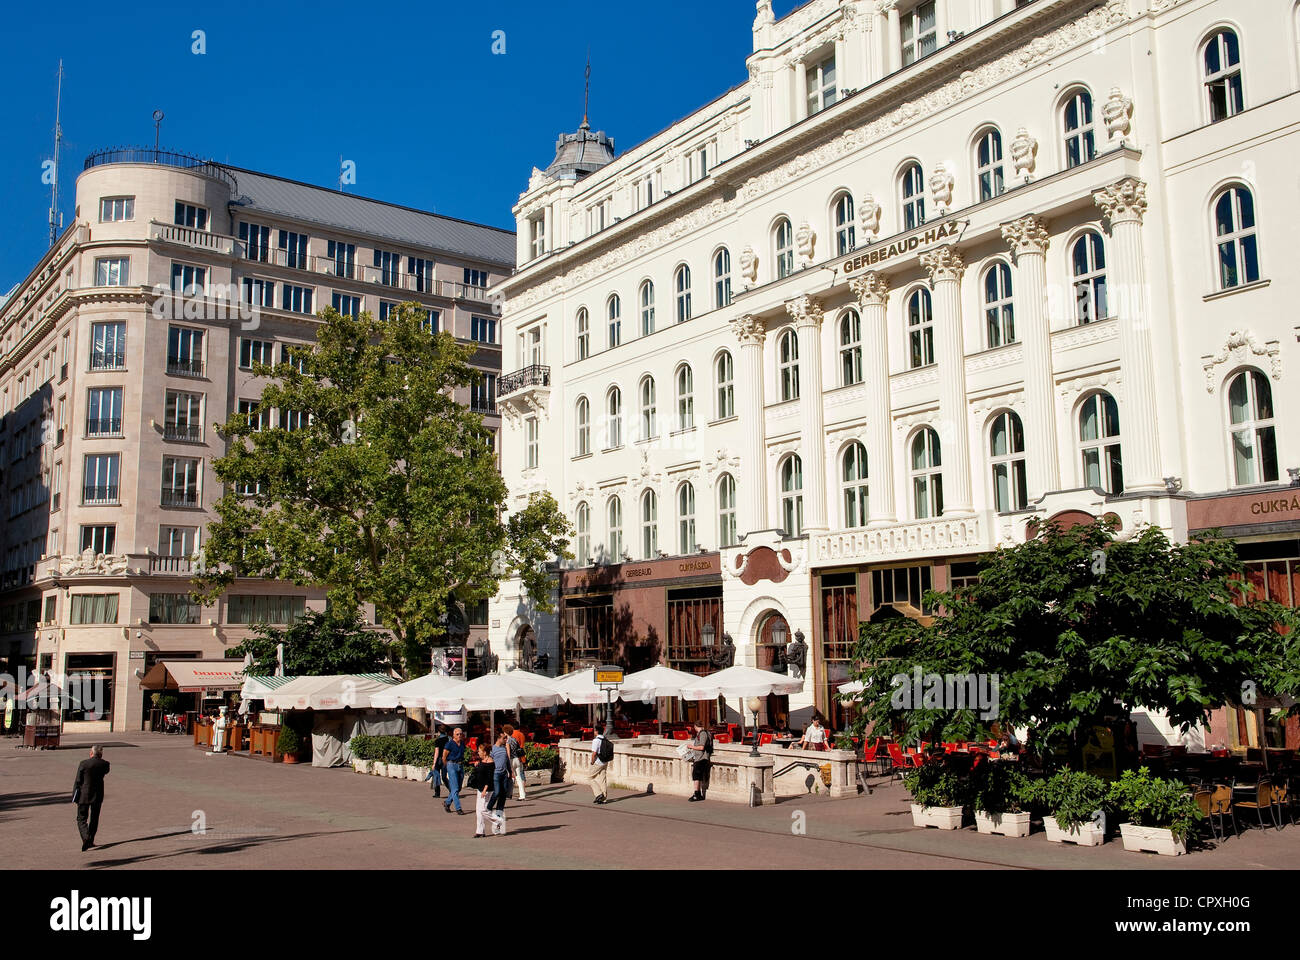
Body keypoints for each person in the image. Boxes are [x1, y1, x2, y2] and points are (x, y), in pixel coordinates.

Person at [73, 744, 110, 851]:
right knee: (94, 818)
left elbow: (78, 781)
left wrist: (75, 795)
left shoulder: (84, 764)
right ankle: (91, 839)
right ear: (101, 754)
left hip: (84, 795)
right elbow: (106, 771)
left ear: (91, 753)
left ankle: (86, 838)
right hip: (98, 794)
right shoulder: (105, 764)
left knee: (81, 818)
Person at [468, 742, 502, 838]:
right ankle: (480, 831)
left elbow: (489, 778)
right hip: (480, 788)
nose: (478, 753)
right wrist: (477, 765)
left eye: (480, 751)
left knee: (484, 810)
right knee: (478, 811)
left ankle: (497, 821)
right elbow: (480, 772)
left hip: (487, 789)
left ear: (485, 752)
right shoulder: (482, 761)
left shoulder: (491, 763)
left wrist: (484, 789)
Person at [441, 728, 468, 815]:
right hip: (452, 765)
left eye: (461, 734)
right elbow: (444, 756)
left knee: (458, 788)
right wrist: (447, 766)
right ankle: (458, 808)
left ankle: (447, 802)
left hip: (460, 765)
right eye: (457, 734)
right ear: (453, 735)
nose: (459, 736)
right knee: (455, 788)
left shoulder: (462, 743)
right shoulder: (449, 744)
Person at [489, 732, 512, 834]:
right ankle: (489, 808)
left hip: (504, 775)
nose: (506, 740)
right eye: (504, 738)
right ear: (498, 738)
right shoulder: (493, 749)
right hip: (496, 774)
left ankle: (497, 825)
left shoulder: (504, 749)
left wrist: (510, 772)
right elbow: (489, 761)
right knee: (497, 792)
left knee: (502, 797)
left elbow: (507, 761)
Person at [686, 722, 713, 802]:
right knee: (697, 776)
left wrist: (691, 746)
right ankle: (698, 794)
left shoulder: (703, 734)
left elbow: (701, 747)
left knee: (696, 776)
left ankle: (697, 794)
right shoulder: (704, 733)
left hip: (701, 758)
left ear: (695, 726)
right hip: (700, 757)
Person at [503, 724, 528, 800]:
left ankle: (508, 793)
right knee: (518, 778)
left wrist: (507, 762)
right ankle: (522, 795)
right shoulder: (514, 739)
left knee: (509, 776)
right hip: (517, 759)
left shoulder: (508, 741)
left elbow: (508, 753)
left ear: (506, 732)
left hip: (511, 760)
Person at [425, 725, 450, 798]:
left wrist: (434, 763)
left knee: (436, 775)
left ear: (438, 732)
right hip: (446, 760)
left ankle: (437, 793)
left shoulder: (437, 740)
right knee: (444, 777)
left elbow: (437, 752)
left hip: (439, 760)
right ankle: (451, 790)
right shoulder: (448, 739)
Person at [589, 727, 610, 804]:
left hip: (598, 762)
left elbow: (594, 753)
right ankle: (603, 798)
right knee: (602, 779)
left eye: (595, 730)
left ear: (596, 731)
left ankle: (598, 794)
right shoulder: (605, 739)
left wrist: (592, 762)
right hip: (605, 762)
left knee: (589, 777)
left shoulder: (596, 740)